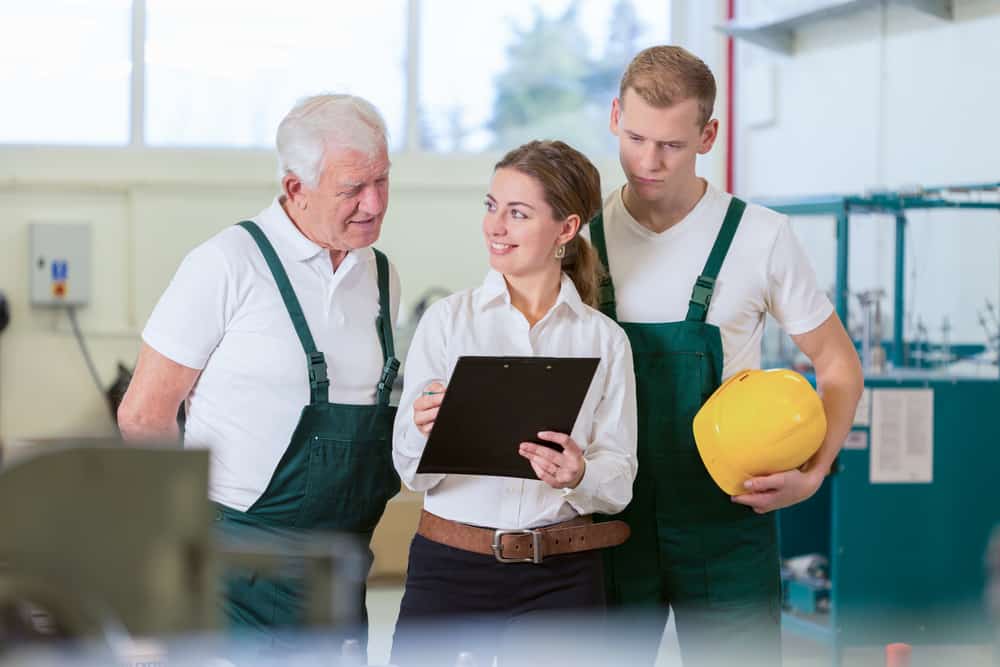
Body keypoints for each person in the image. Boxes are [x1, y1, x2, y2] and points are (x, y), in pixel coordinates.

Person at [591, 46, 864, 665]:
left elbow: (840, 366)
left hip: (727, 524)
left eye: (672, 145)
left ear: (707, 135)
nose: (649, 162)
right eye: (635, 138)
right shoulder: (581, 237)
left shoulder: (760, 236)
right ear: (614, 116)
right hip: (608, 519)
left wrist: (814, 473)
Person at [117, 94, 402, 644]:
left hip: (343, 566)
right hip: (238, 568)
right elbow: (143, 414)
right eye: (351, 189)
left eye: (383, 181)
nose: (373, 204)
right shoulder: (226, 264)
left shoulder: (381, 276)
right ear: (296, 188)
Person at [390, 140, 637, 667]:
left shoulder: (605, 341)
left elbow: (619, 482)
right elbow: (412, 473)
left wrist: (578, 475)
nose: (495, 226)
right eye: (491, 206)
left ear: (566, 230)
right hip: (450, 571)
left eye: (518, 213)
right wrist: (419, 426)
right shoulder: (447, 323)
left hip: (563, 581)